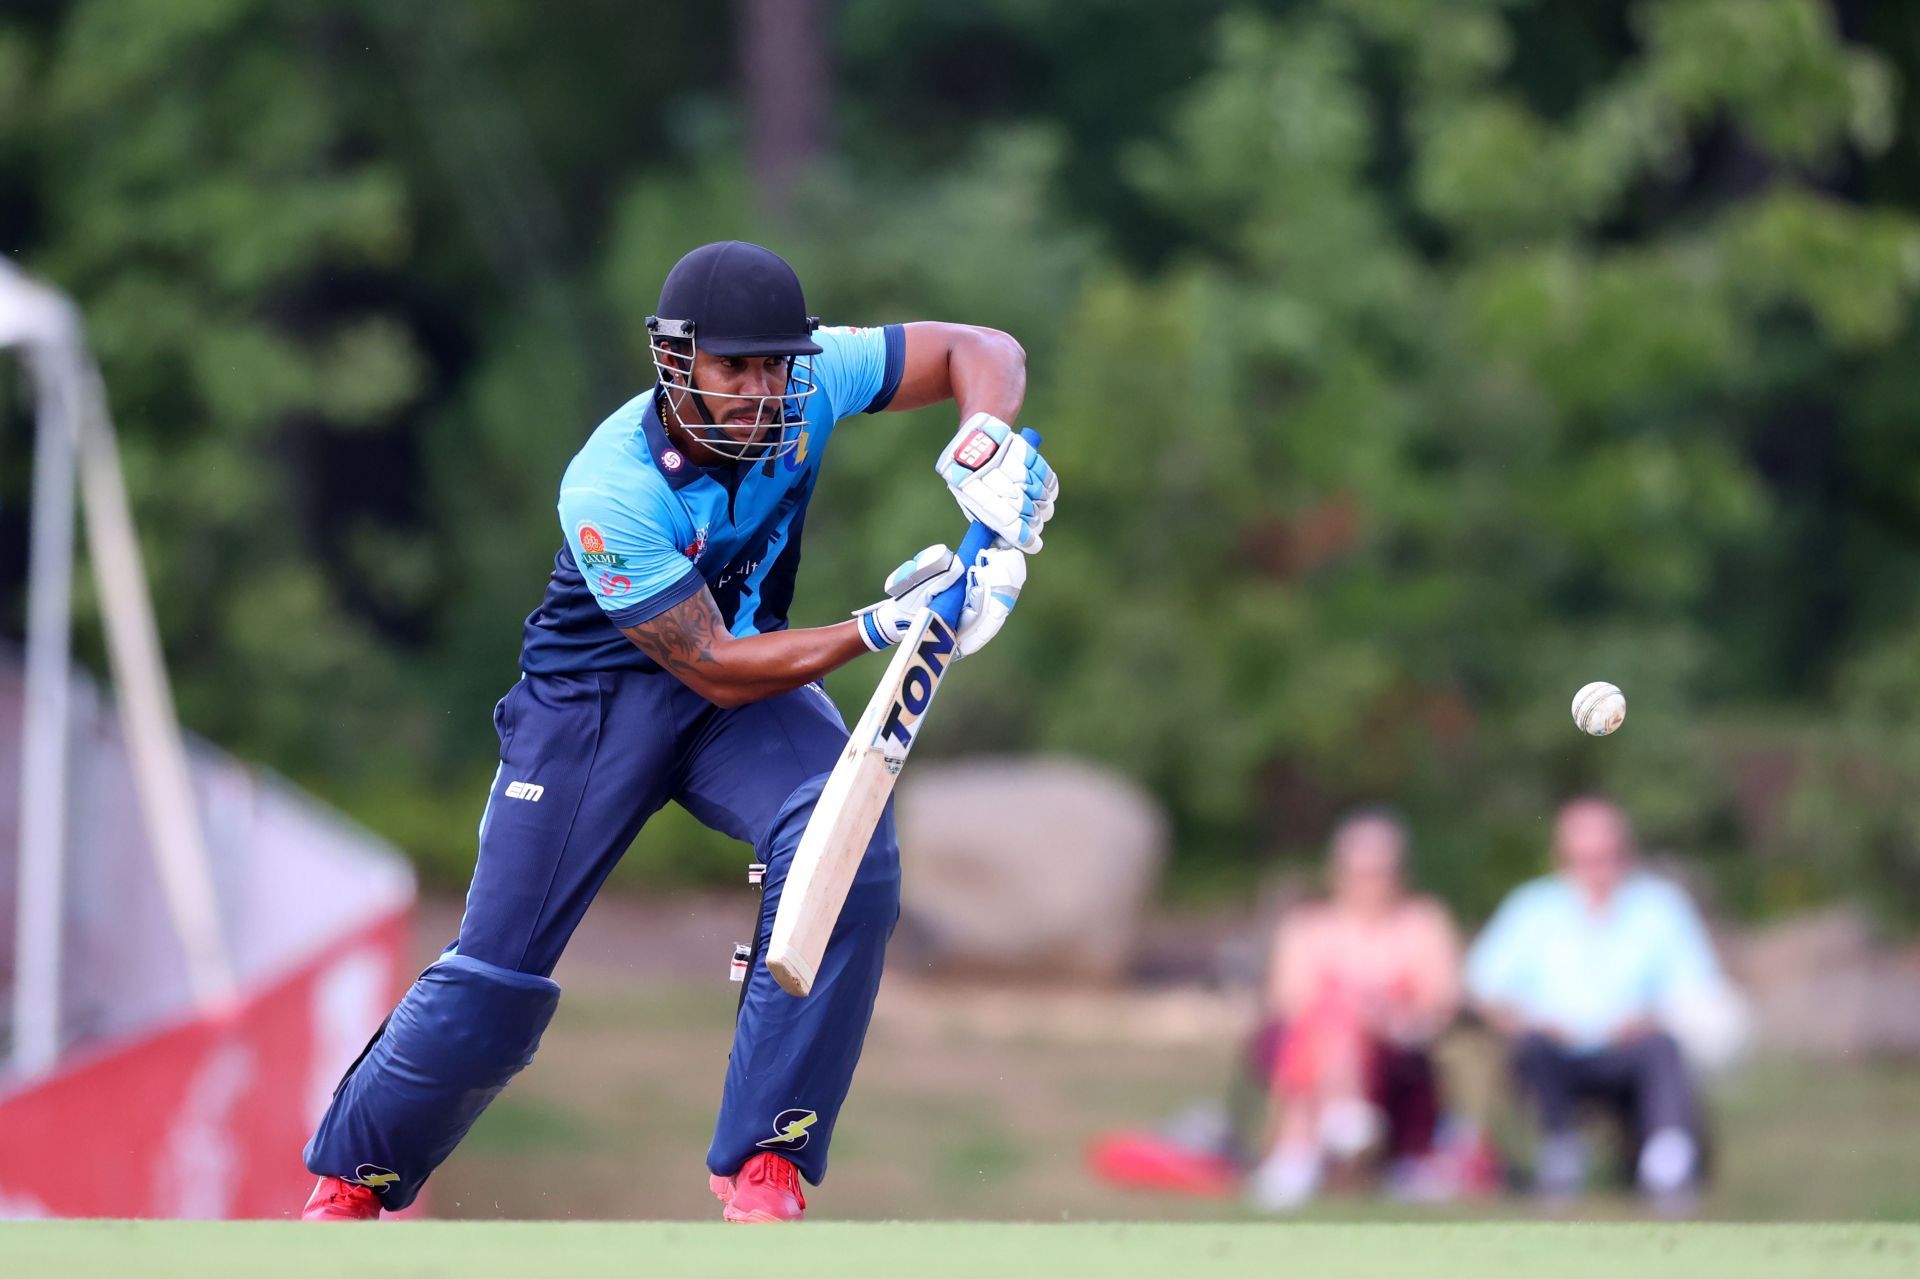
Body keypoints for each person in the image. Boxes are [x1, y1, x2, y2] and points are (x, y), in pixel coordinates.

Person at [298, 241, 1058, 1223]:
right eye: (732, 366)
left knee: (848, 847)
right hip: (596, 705)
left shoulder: (816, 375)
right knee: (496, 977)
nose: (758, 389)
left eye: (774, 364)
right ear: (676, 360)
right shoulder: (610, 486)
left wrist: (985, 439)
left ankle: (764, 1166)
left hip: (741, 688)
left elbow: (981, 347)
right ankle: (350, 1183)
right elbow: (707, 665)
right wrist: (882, 627)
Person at [1465, 796, 1721, 1207]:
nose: (1598, 869)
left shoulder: (1661, 906)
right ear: (1563, 858)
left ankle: (1668, 1159)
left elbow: (1696, 985)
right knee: (1533, 1048)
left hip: (1634, 1049)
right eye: (1586, 858)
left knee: (1662, 1048)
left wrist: (1650, 1016)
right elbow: (1483, 986)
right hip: (1554, 1052)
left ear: (1627, 854)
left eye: (1608, 856)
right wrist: (1526, 1020)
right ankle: (1559, 1151)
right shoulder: (1532, 909)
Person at [1248, 810, 1462, 1209]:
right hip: (1311, 1044)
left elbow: (1441, 1001)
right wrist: (1355, 1014)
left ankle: (1301, 1148)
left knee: (1335, 1017)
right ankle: (1341, 1113)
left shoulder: (1422, 923)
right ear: (1337, 872)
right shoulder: (1307, 926)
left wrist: (1382, 1019)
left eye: (1382, 872)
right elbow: (1289, 1002)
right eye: (1360, 872)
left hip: (1394, 1048)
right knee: (1329, 1019)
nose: (1371, 883)